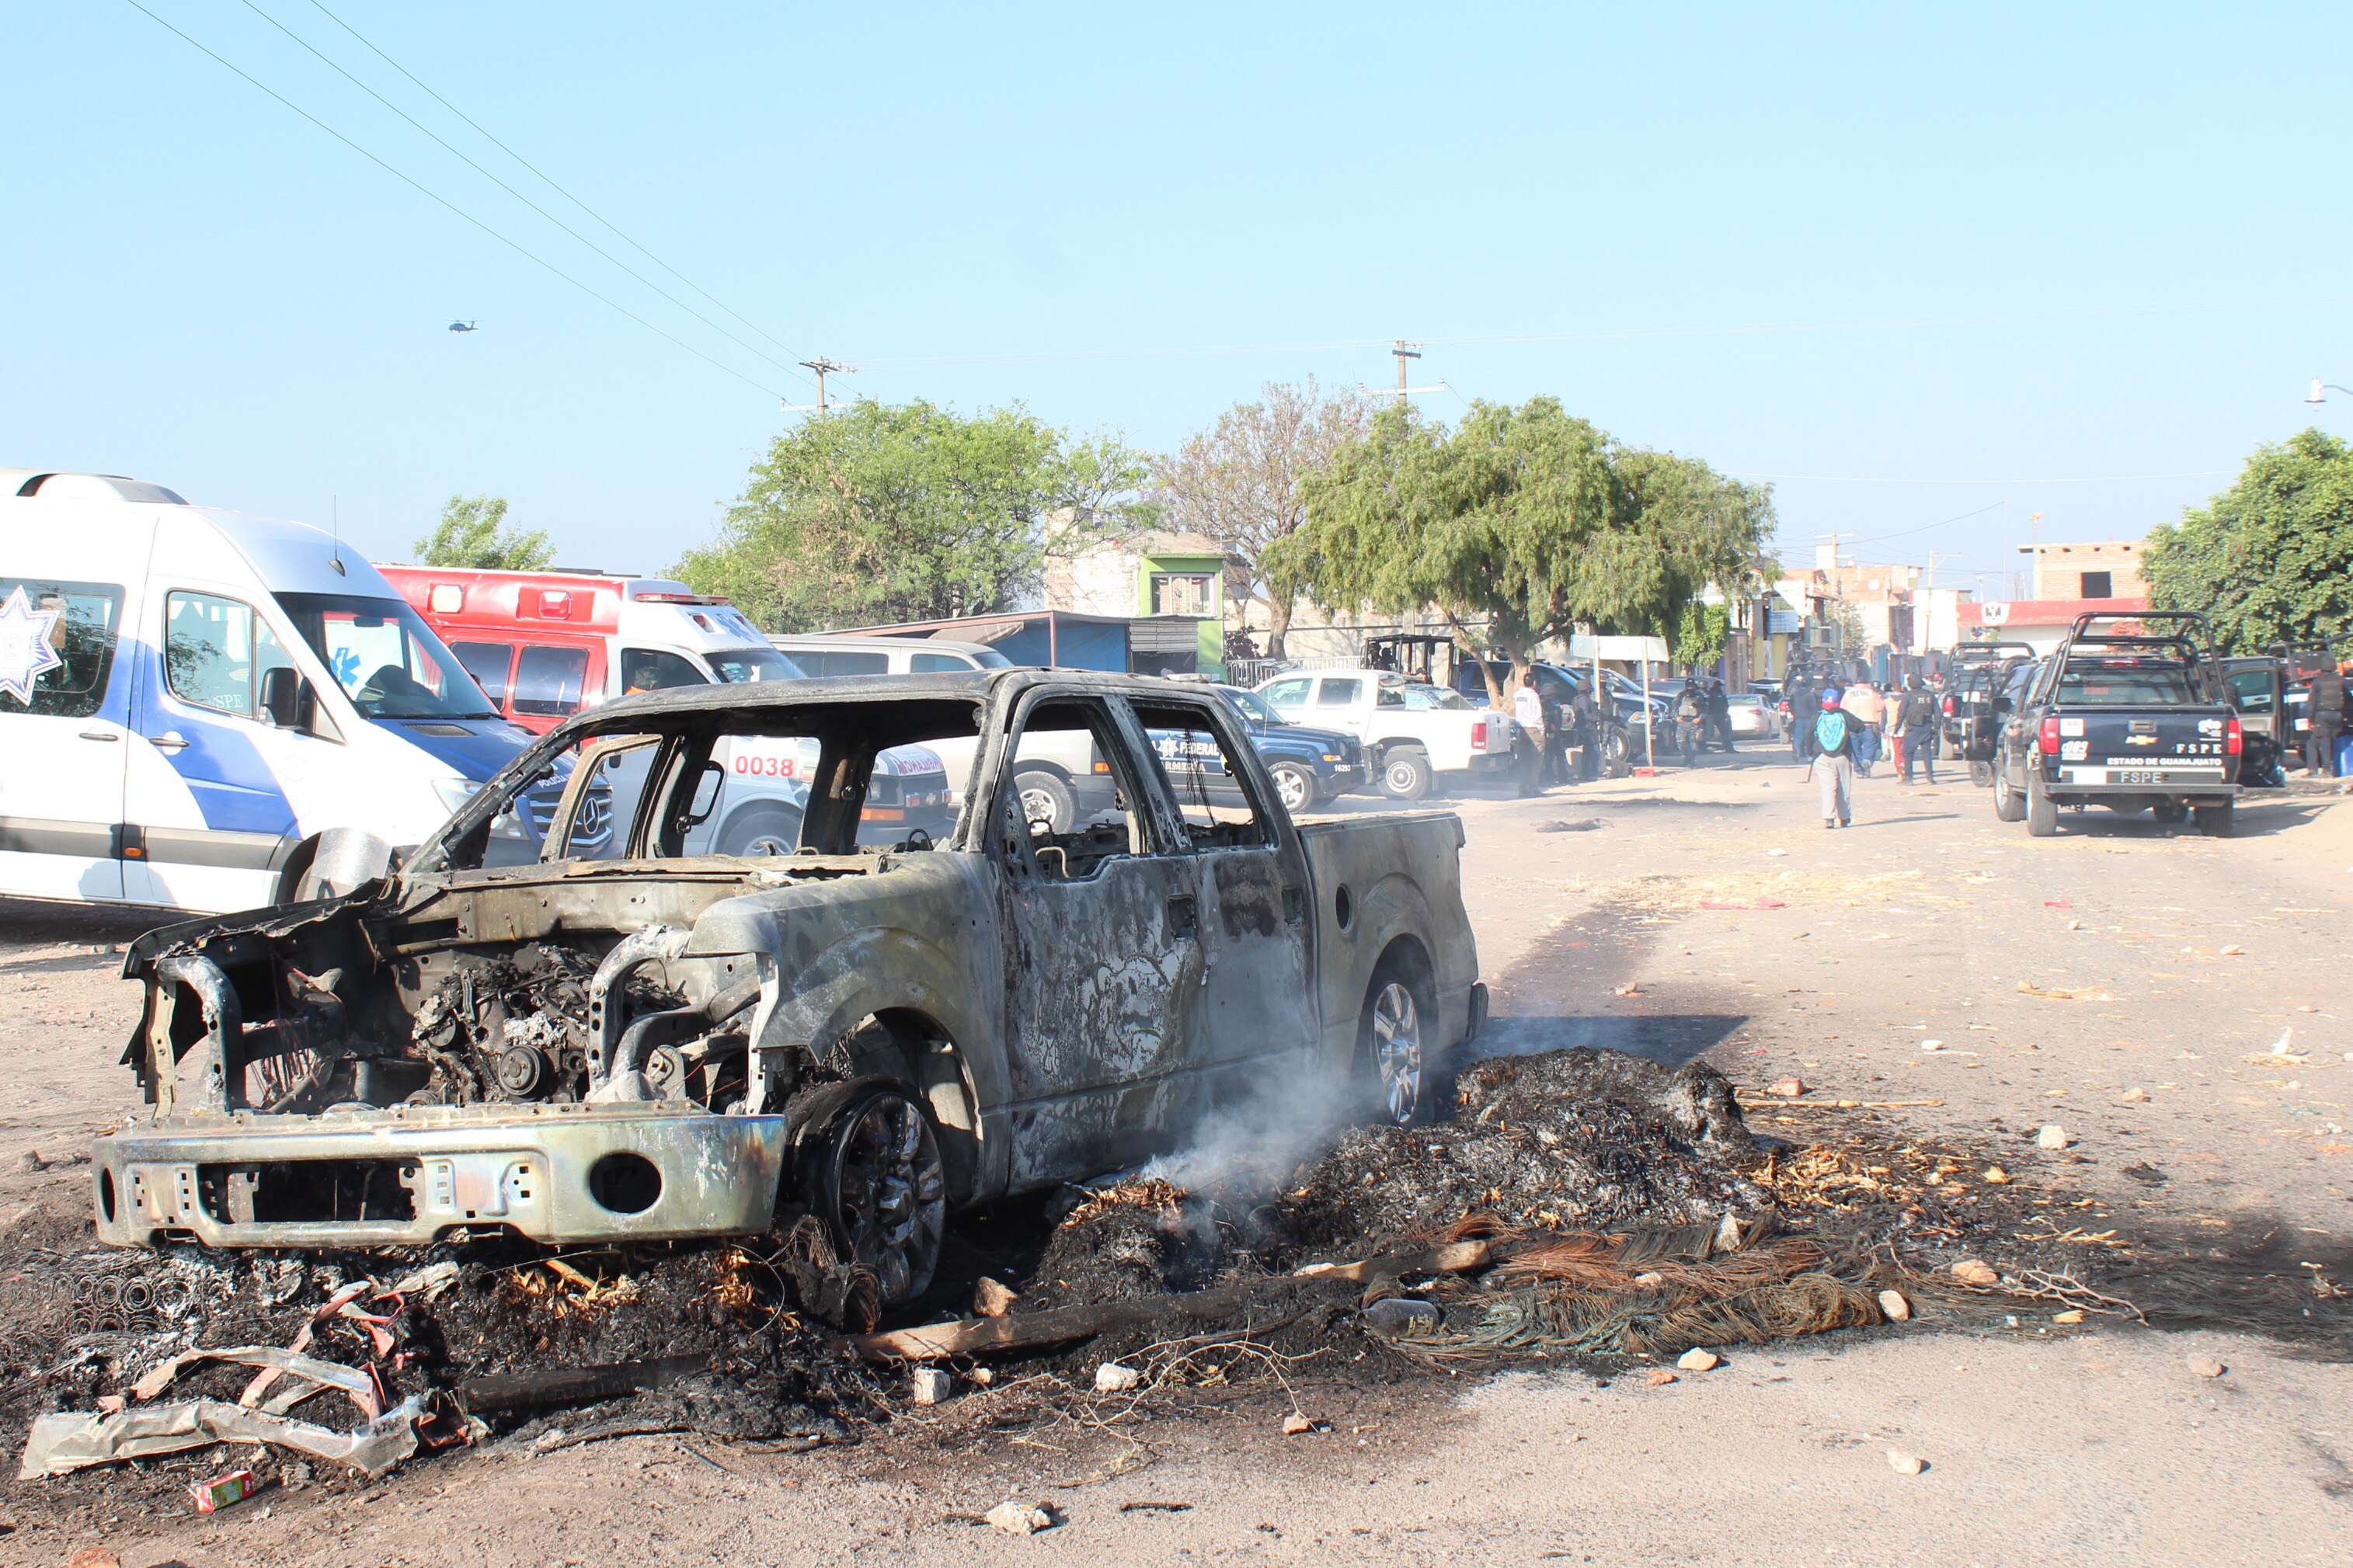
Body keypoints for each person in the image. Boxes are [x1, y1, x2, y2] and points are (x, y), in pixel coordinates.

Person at [1811, 686, 1855, 827]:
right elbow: (1860, 726)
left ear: (1823, 701)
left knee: (1828, 787)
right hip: (1843, 755)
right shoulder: (1844, 715)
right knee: (1843, 787)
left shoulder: (1818, 717)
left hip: (1823, 757)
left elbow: (1807, 734)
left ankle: (1829, 818)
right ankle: (1845, 817)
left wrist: (1811, 751)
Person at [1897, 676, 1940, 784]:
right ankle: (1930, 777)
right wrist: (1936, 727)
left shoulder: (1908, 696)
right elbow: (1938, 713)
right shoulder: (1930, 695)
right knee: (1927, 753)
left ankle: (1908, 778)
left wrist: (1897, 727)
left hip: (1913, 728)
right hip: (1927, 726)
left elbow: (1901, 713)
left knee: (1908, 753)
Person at [2310, 659, 2348, 777]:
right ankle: (2337, 768)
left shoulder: (2317, 682)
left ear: (2322, 669)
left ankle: (2327, 769)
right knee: (2335, 740)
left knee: (2325, 740)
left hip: (2323, 715)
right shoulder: (2342, 681)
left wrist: (2310, 719)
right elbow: (2348, 697)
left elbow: (2312, 702)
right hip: (2338, 715)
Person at [1512, 670, 1547, 796]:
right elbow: (1537, 715)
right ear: (1535, 683)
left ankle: (1523, 788)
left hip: (1521, 730)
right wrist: (1542, 731)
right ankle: (1533, 788)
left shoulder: (1517, 695)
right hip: (1533, 730)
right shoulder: (1533, 696)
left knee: (1524, 761)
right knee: (1536, 761)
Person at [1841, 680, 1885, 776]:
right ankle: (1867, 760)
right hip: (1868, 723)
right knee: (1870, 744)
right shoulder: (1871, 693)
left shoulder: (1848, 693)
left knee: (1855, 748)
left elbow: (1842, 708)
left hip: (1852, 725)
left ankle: (1859, 770)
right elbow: (1881, 707)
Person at [1674, 680, 1704, 767]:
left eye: (1692, 686)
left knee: (1693, 742)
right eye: (1689, 686)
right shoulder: (1681, 696)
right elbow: (1675, 706)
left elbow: (1705, 708)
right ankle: (1686, 758)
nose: (1690, 688)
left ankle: (1693, 761)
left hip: (1694, 722)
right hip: (1683, 722)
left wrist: (1700, 718)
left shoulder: (1699, 696)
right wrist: (1676, 716)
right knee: (1681, 742)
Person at [1706, 674, 1735, 753]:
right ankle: (1729, 748)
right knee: (1724, 732)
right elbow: (1720, 705)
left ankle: (1728, 748)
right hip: (1717, 715)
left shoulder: (1714, 694)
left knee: (1725, 732)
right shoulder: (1715, 694)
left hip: (1718, 715)